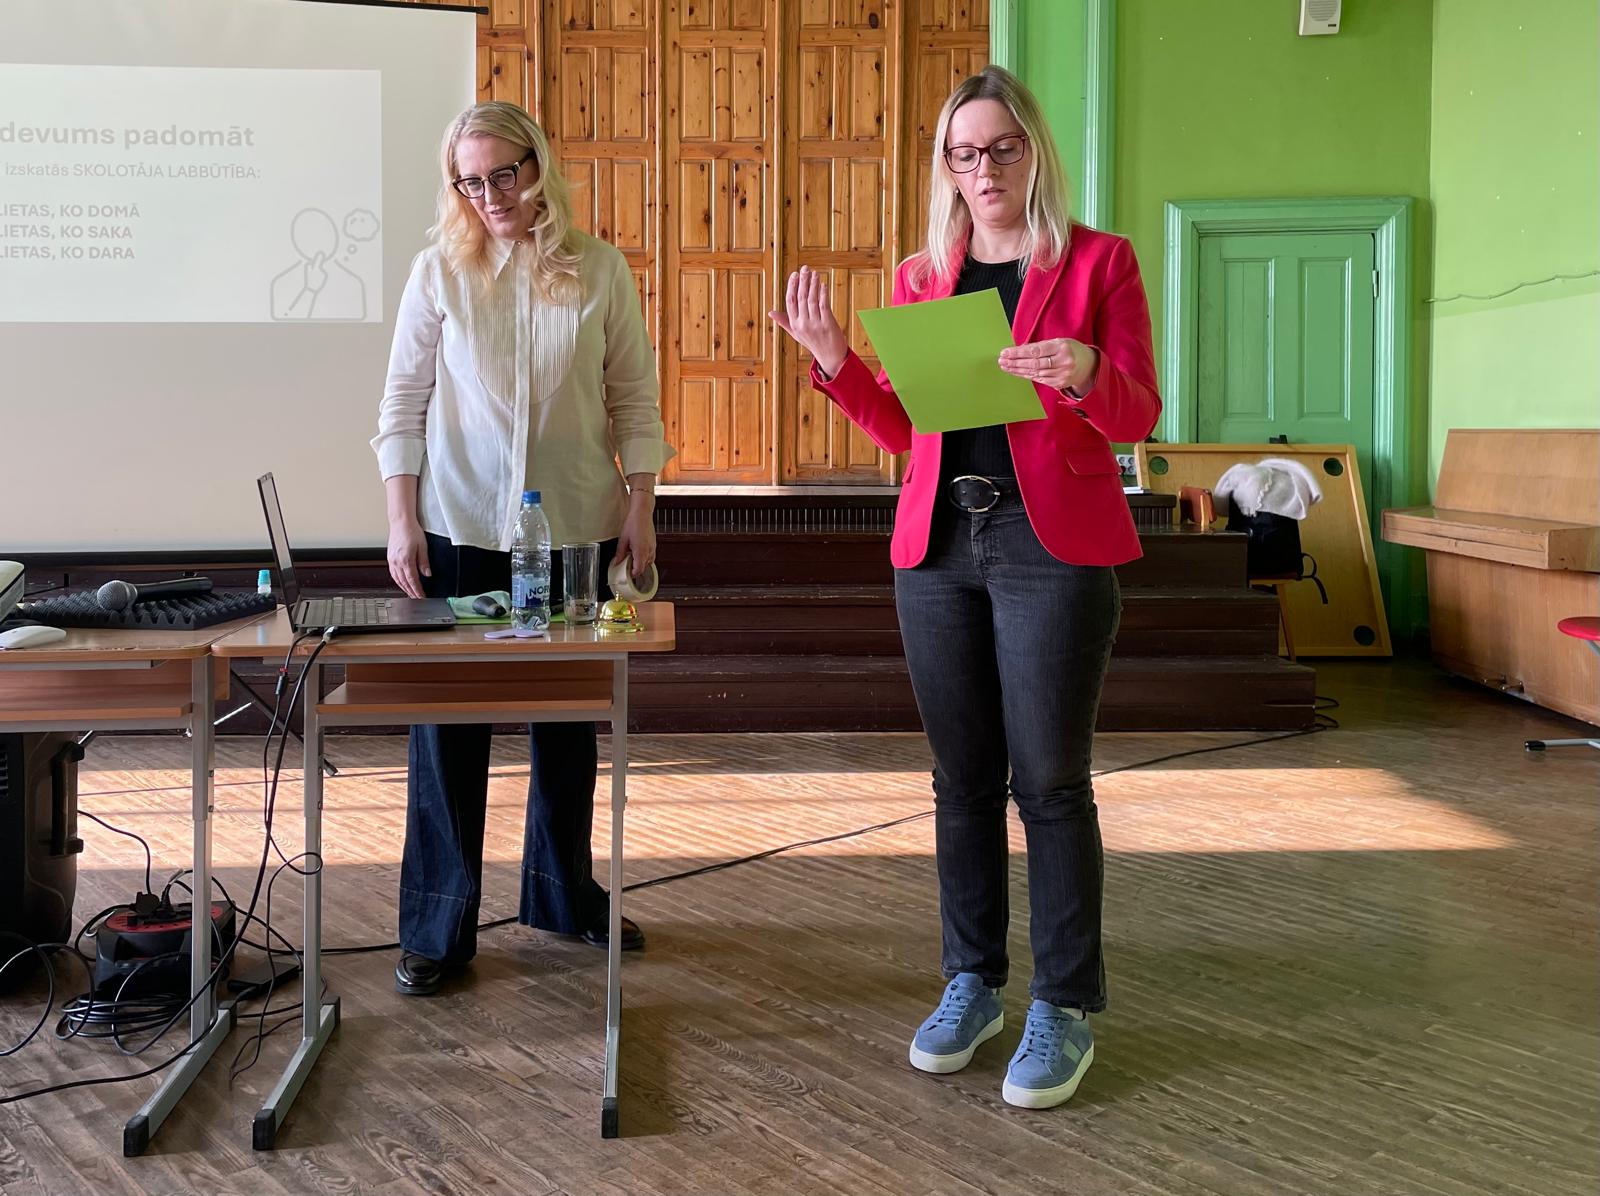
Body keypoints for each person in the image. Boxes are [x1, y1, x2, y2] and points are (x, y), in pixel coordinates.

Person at [769, 66, 1160, 1107]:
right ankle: (973, 982)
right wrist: (833, 359)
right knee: (961, 781)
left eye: (1000, 149)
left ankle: (1062, 1003)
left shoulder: (1100, 261)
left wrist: (1084, 370)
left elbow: (1137, 413)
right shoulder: (922, 275)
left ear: (1033, 152)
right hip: (940, 544)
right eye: (963, 153)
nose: (982, 169)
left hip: (1049, 543)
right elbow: (908, 432)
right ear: (945, 166)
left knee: (1051, 783)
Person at [372, 101, 673, 996]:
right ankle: (436, 925)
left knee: (566, 725)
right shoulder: (438, 271)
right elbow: (402, 401)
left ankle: (564, 895)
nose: (492, 195)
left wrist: (643, 504)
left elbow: (634, 396)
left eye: (506, 173)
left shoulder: (600, 269)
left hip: (576, 524)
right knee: (446, 733)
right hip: (460, 526)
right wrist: (400, 517)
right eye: (471, 181)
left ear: (539, 167)